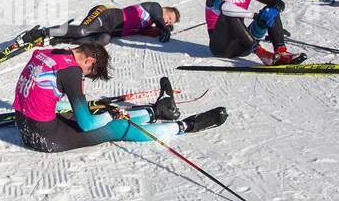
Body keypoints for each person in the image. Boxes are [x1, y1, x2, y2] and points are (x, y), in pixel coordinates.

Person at [13, 45, 226, 153]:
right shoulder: (71, 71)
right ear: (89, 60)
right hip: (46, 139)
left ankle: (155, 112)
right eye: (89, 72)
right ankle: (186, 126)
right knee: (117, 127)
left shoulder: (48, 53)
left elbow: (54, 98)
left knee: (100, 113)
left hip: (24, 126)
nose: (85, 76)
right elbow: (87, 125)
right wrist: (109, 114)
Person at [16, 2, 180, 48]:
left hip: (108, 29)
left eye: (170, 22)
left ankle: (56, 40)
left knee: (103, 40)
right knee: (82, 30)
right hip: (106, 14)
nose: (167, 21)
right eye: (169, 17)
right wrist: (163, 26)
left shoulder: (150, 23)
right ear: (166, 9)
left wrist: (164, 31)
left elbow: (152, 31)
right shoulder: (156, 8)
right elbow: (159, 18)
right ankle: (39, 33)